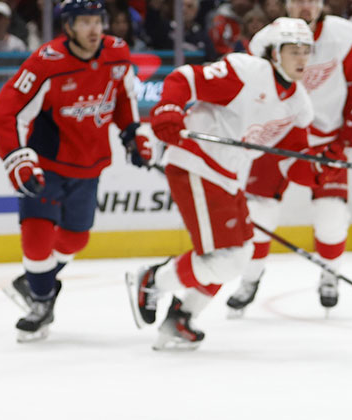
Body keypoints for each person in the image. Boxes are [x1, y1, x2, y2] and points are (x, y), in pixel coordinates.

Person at [125, 17, 317, 350]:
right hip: (197, 165)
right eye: (293, 51)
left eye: (306, 51)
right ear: (274, 53)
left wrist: (318, 172)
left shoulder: (298, 101)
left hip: (229, 178)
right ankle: (154, 279)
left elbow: (295, 153)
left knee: (240, 256)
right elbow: (184, 77)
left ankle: (180, 319)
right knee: (226, 259)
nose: (301, 59)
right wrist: (169, 108)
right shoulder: (247, 72)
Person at [0, 0, 149, 342]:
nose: (94, 29)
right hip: (46, 166)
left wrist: (131, 133)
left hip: (89, 165)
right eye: (85, 22)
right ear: (68, 26)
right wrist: (17, 157)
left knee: (77, 237)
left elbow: (122, 97)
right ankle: (42, 302)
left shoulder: (117, 53)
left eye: (98, 20)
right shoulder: (47, 62)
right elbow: (7, 112)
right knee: (37, 239)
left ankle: (35, 283)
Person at [225, 0, 352, 315]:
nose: (306, 5)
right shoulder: (268, 39)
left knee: (331, 215)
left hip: (325, 140)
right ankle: (251, 277)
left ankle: (330, 273)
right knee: (258, 213)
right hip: (277, 140)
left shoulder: (344, 35)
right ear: (286, 3)